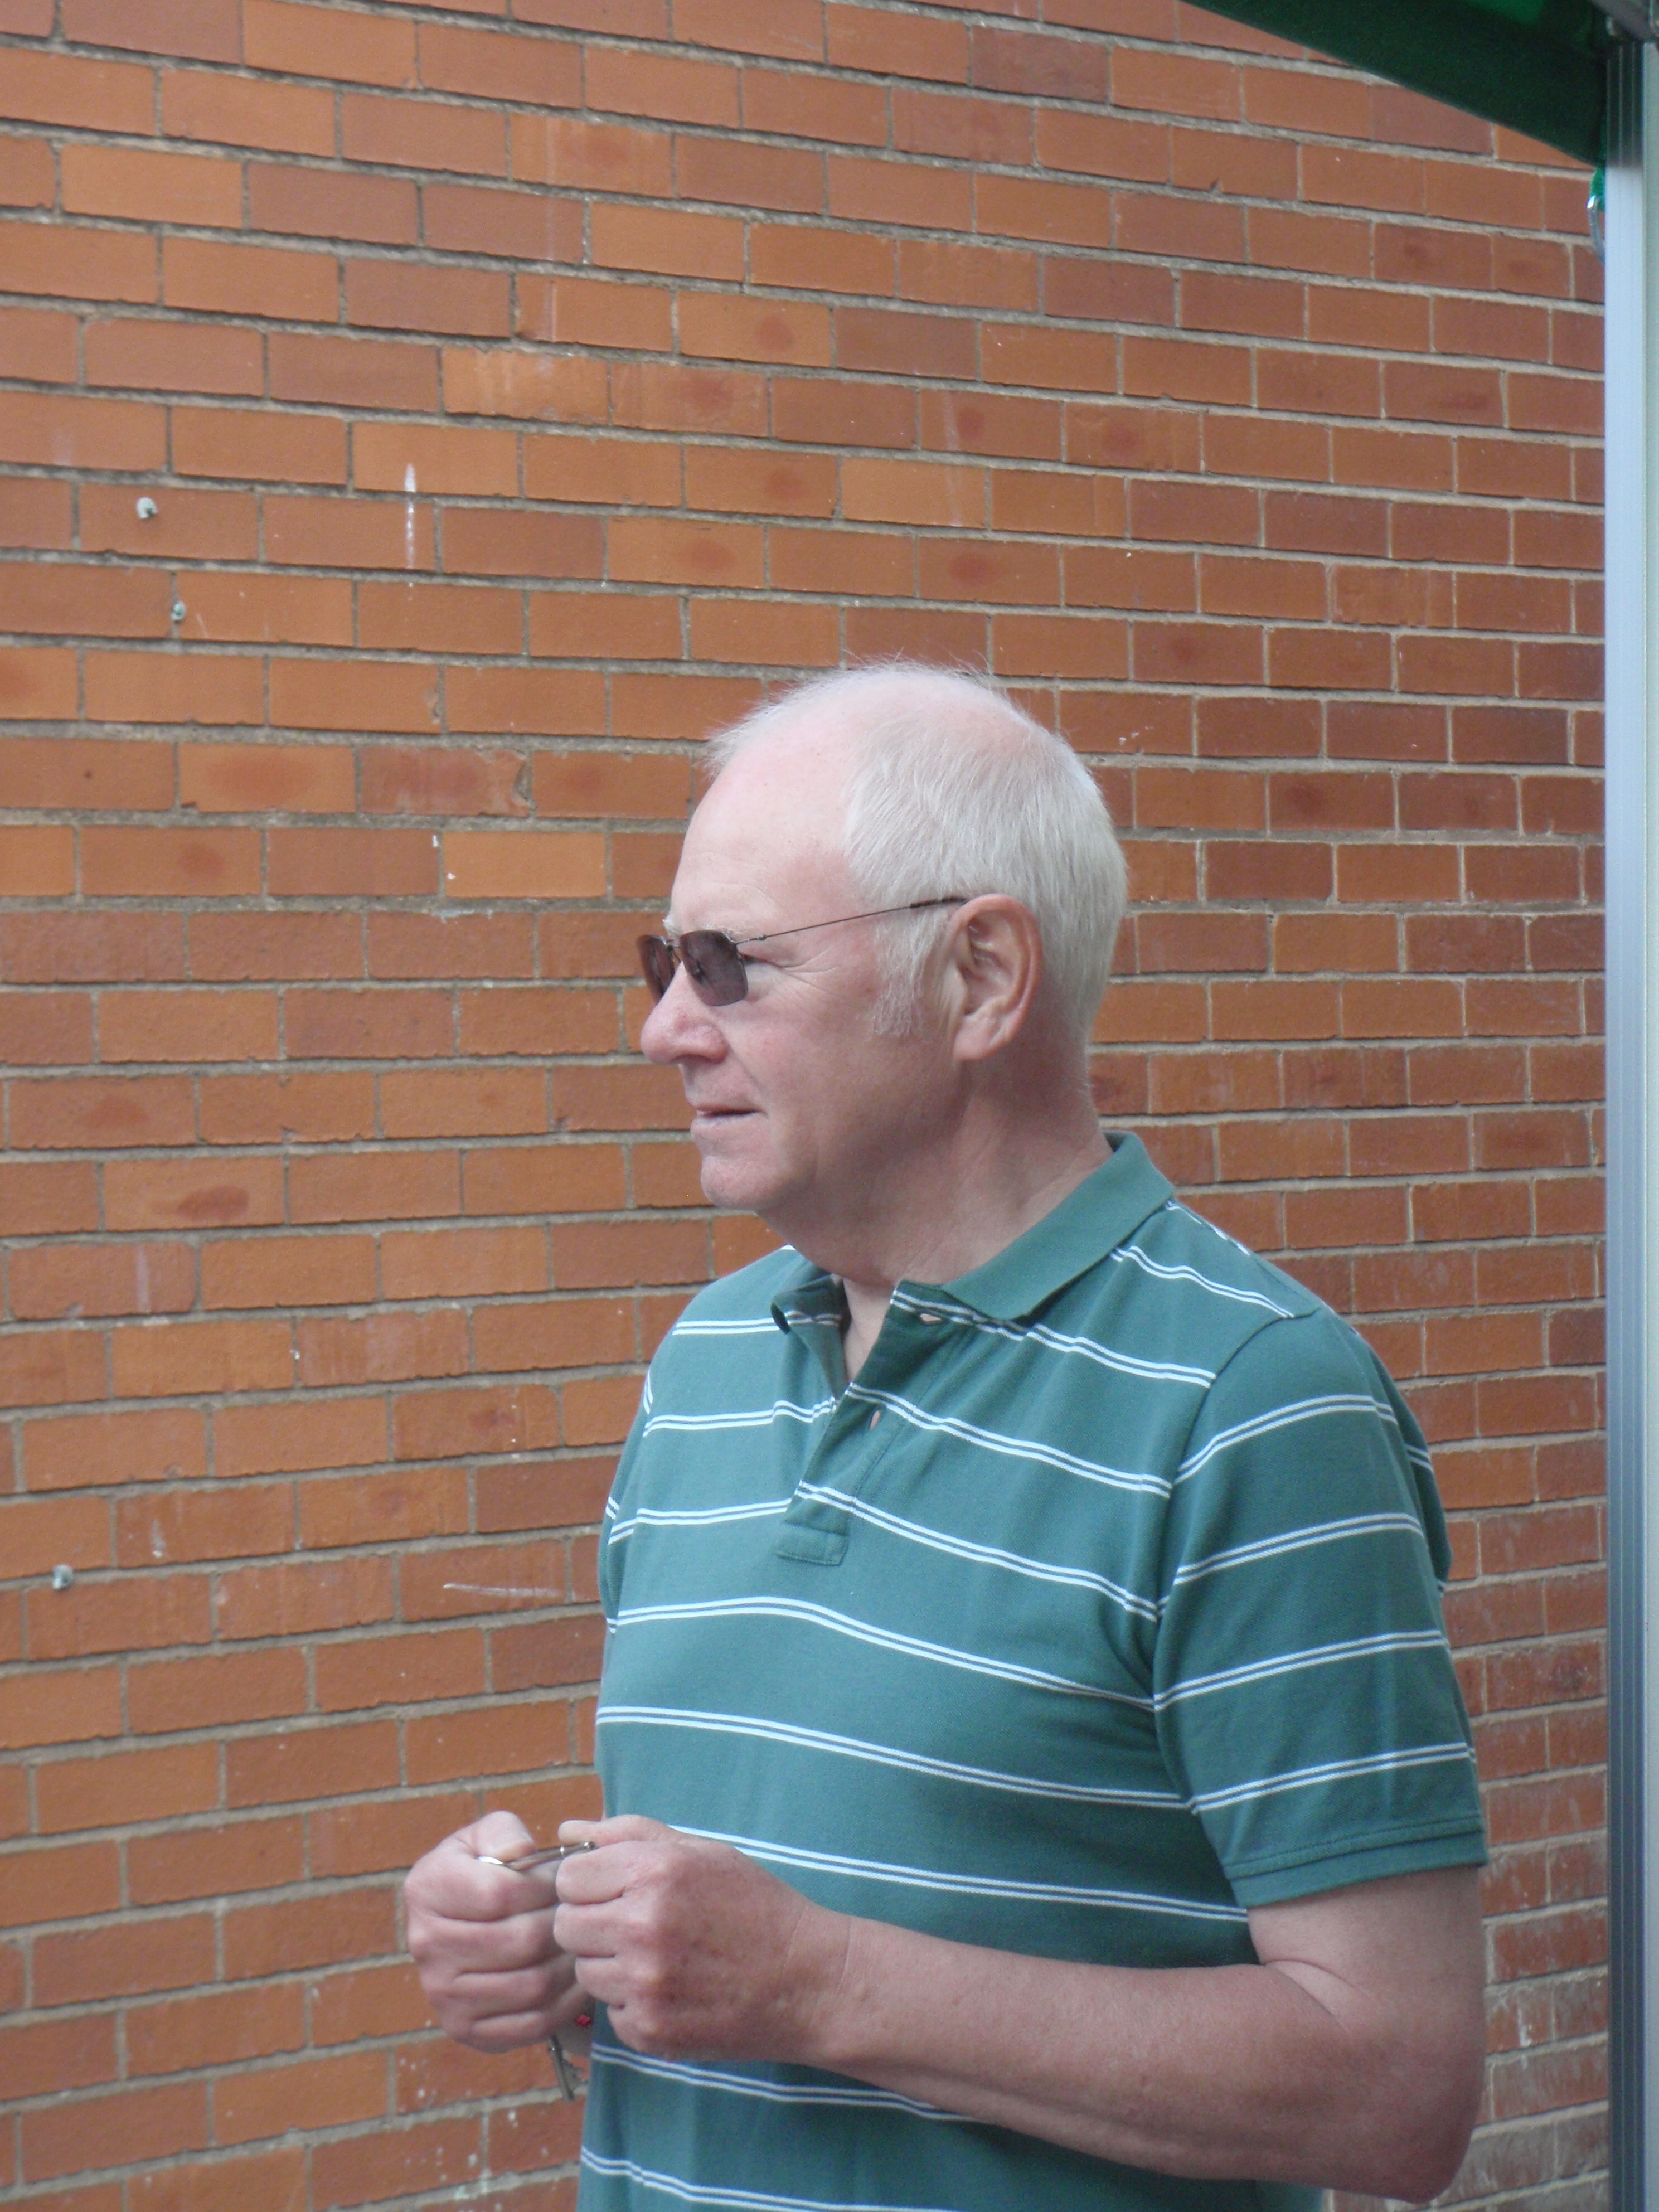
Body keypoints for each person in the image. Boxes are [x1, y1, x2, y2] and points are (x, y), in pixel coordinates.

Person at [405, 663, 1488, 2212]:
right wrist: (555, 1941)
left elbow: (1397, 2087)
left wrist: (819, 1984)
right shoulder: (705, 1365)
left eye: (728, 965)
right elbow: (779, 1913)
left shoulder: (1251, 1404)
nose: (663, 1029)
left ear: (981, 978)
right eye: (662, 960)